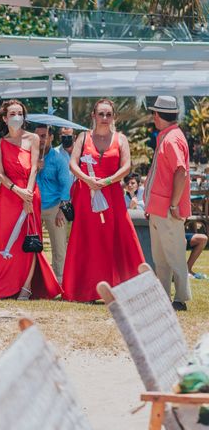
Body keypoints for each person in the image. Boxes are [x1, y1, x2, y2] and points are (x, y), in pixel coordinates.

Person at [62, 99, 144, 302]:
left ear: (114, 116)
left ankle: (123, 288)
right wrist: (88, 180)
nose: (105, 118)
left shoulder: (121, 139)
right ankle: (85, 289)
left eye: (108, 114)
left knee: (118, 237)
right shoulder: (83, 137)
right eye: (101, 114)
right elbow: (73, 163)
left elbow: (126, 167)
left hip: (112, 194)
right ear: (93, 116)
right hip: (86, 193)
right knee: (87, 239)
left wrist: (107, 181)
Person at [0, 100, 61, 301]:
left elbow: (34, 167)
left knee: (29, 239)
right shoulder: (0, 144)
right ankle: (1, 287)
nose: (17, 117)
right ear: (4, 118)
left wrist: (27, 193)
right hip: (8, 196)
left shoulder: (34, 138)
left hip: (30, 191)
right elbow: (0, 174)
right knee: (4, 239)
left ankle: (26, 287)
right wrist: (17, 190)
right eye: (12, 113)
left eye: (20, 113)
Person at [144, 96, 192, 311]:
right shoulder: (169, 136)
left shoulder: (171, 139)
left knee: (173, 257)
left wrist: (173, 205)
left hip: (166, 209)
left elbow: (181, 171)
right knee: (162, 257)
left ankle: (180, 299)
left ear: (157, 115)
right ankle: (165, 297)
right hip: (160, 208)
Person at [35, 124, 71, 284]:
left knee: (59, 246)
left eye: (44, 136)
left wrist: (62, 210)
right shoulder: (29, 155)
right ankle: (34, 280)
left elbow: (66, 185)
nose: (40, 139)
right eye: (37, 136)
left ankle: (59, 281)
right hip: (33, 206)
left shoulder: (59, 158)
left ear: (50, 138)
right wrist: (35, 168)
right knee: (32, 246)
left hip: (54, 207)